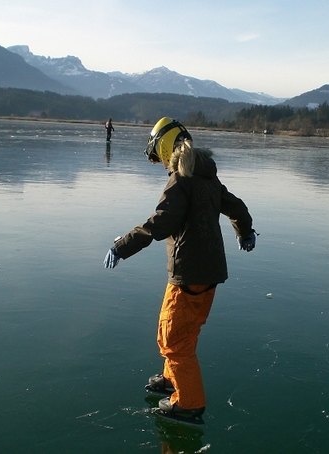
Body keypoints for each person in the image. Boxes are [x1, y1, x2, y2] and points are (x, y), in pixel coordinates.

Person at [103, 116, 257, 423]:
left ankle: (189, 402)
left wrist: (122, 246)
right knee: (176, 331)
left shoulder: (182, 179)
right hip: (208, 272)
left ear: (164, 146)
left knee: (174, 339)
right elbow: (236, 206)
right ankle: (173, 378)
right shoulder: (206, 176)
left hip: (189, 273)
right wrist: (245, 231)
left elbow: (160, 223)